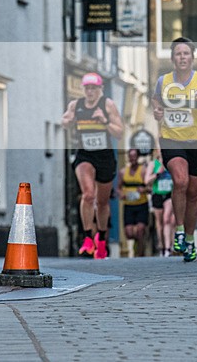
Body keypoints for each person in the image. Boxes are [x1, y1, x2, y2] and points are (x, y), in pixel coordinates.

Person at [152, 37, 197, 262]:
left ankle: (190, 240)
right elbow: (156, 104)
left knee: (193, 193)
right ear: (173, 58)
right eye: (178, 54)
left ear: (192, 57)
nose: (182, 57)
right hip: (171, 140)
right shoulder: (163, 81)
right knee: (180, 181)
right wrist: (158, 114)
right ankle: (179, 231)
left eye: (186, 54)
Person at [62, 72, 124, 260]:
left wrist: (104, 122)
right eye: (87, 88)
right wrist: (69, 120)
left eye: (93, 88)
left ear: (100, 89)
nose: (90, 91)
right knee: (88, 194)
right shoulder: (76, 105)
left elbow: (120, 132)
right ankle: (88, 238)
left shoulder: (107, 105)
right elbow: (63, 121)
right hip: (85, 155)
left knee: (103, 202)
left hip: (104, 156)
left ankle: (102, 239)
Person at [116, 148, 149, 257]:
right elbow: (118, 188)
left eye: (134, 156)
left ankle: (139, 254)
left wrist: (144, 189)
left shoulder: (143, 170)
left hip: (141, 204)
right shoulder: (123, 171)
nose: (132, 158)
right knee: (129, 234)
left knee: (140, 230)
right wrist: (121, 194)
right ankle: (138, 242)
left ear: (138, 157)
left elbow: (150, 187)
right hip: (128, 205)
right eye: (130, 156)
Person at [145, 149, 175, 256]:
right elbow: (146, 181)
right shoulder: (153, 164)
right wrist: (157, 174)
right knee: (160, 222)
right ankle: (161, 245)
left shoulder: (171, 162)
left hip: (169, 194)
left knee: (167, 219)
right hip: (157, 193)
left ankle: (168, 248)